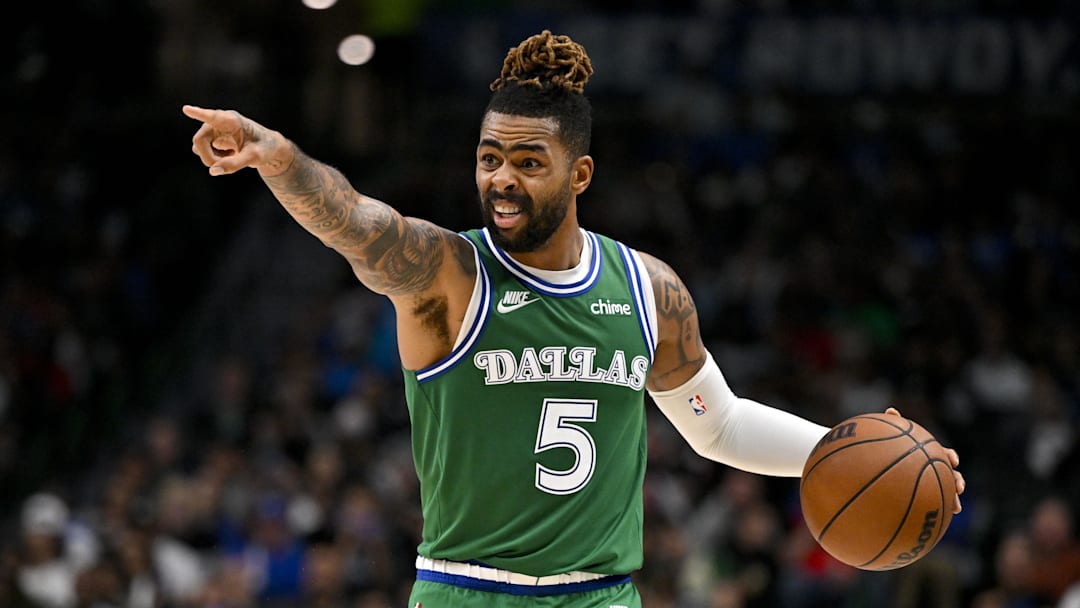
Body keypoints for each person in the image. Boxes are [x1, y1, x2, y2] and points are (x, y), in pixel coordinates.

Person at [183, 30, 964, 608]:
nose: (502, 179)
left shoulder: (648, 288)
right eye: (490, 157)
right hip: (469, 590)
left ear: (579, 172)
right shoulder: (448, 274)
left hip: (602, 596)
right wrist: (280, 159)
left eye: (529, 161)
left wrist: (835, 452)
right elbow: (354, 219)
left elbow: (717, 425)